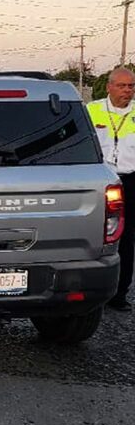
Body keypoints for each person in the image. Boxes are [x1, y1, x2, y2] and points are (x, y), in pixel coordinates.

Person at [88, 67, 135, 311]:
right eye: (122, 86)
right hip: (100, 181)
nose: (127, 91)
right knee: (95, 234)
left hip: (130, 181)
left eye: (131, 86)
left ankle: (120, 294)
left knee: (125, 238)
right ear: (109, 86)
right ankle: (91, 290)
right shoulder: (92, 110)